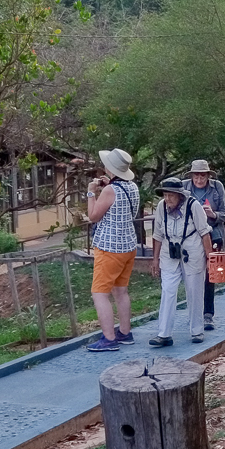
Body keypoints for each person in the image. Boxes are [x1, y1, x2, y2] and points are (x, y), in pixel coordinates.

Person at [83, 148, 141, 351]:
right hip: (128, 246)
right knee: (121, 291)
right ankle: (125, 332)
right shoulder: (132, 187)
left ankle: (108, 338)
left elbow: (93, 216)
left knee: (99, 293)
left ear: (110, 168)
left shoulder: (109, 190)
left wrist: (91, 192)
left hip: (109, 248)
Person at [149, 177, 214, 346]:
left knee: (194, 290)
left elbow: (204, 233)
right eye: (165, 195)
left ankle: (197, 330)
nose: (168, 199)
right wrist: (155, 259)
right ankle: (164, 334)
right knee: (168, 290)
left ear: (180, 196)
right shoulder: (161, 207)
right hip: (169, 252)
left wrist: (210, 258)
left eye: (171, 195)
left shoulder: (194, 206)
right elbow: (157, 235)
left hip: (192, 251)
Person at [182, 159, 225, 331]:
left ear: (208, 176)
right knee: (191, 275)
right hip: (189, 237)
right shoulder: (184, 187)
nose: (199, 179)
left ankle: (208, 314)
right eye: (196, 175)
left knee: (210, 276)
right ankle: (193, 313)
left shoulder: (217, 187)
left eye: (203, 175)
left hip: (213, 234)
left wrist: (213, 214)